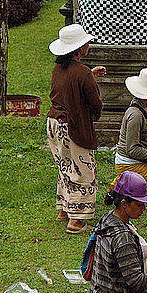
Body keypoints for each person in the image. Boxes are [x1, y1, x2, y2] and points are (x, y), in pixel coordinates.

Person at [47, 24, 106, 234]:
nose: (88, 45)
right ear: (79, 48)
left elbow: (68, 85)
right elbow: (94, 103)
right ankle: (76, 220)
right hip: (72, 125)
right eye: (86, 43)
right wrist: (89, 78)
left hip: (54, 124)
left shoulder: (59, 69)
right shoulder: (81, 73)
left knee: (65, 166)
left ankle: (64, 209)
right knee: (83, 170)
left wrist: (89, 74)